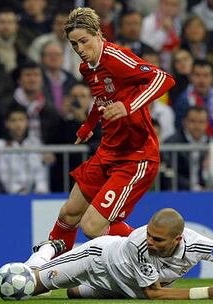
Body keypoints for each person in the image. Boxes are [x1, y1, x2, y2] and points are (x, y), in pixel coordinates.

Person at [47, 7, 175, 251]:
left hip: (136, 155)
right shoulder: (87, 68)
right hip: (108, 151)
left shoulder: (115, 57)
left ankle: (156, 252)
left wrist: (128, 106)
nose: (80, 50)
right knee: (69, 213)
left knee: (92, 227)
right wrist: (88, 125)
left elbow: (163, 78)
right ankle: (48, 273)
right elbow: (101, 97)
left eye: (84, 41)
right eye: (74, 45)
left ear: (98, 34)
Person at [20, 208, 213, 300]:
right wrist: (206, 292)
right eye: (148, 234)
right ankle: (49, 249)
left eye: (157, 239)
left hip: (123, 288)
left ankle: (56, 269)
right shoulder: (138, 242)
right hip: (95, 261)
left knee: (72, 294)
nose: (150, 241)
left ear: (178, 239)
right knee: (26, 287)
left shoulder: (196, 244)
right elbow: (154, 293)